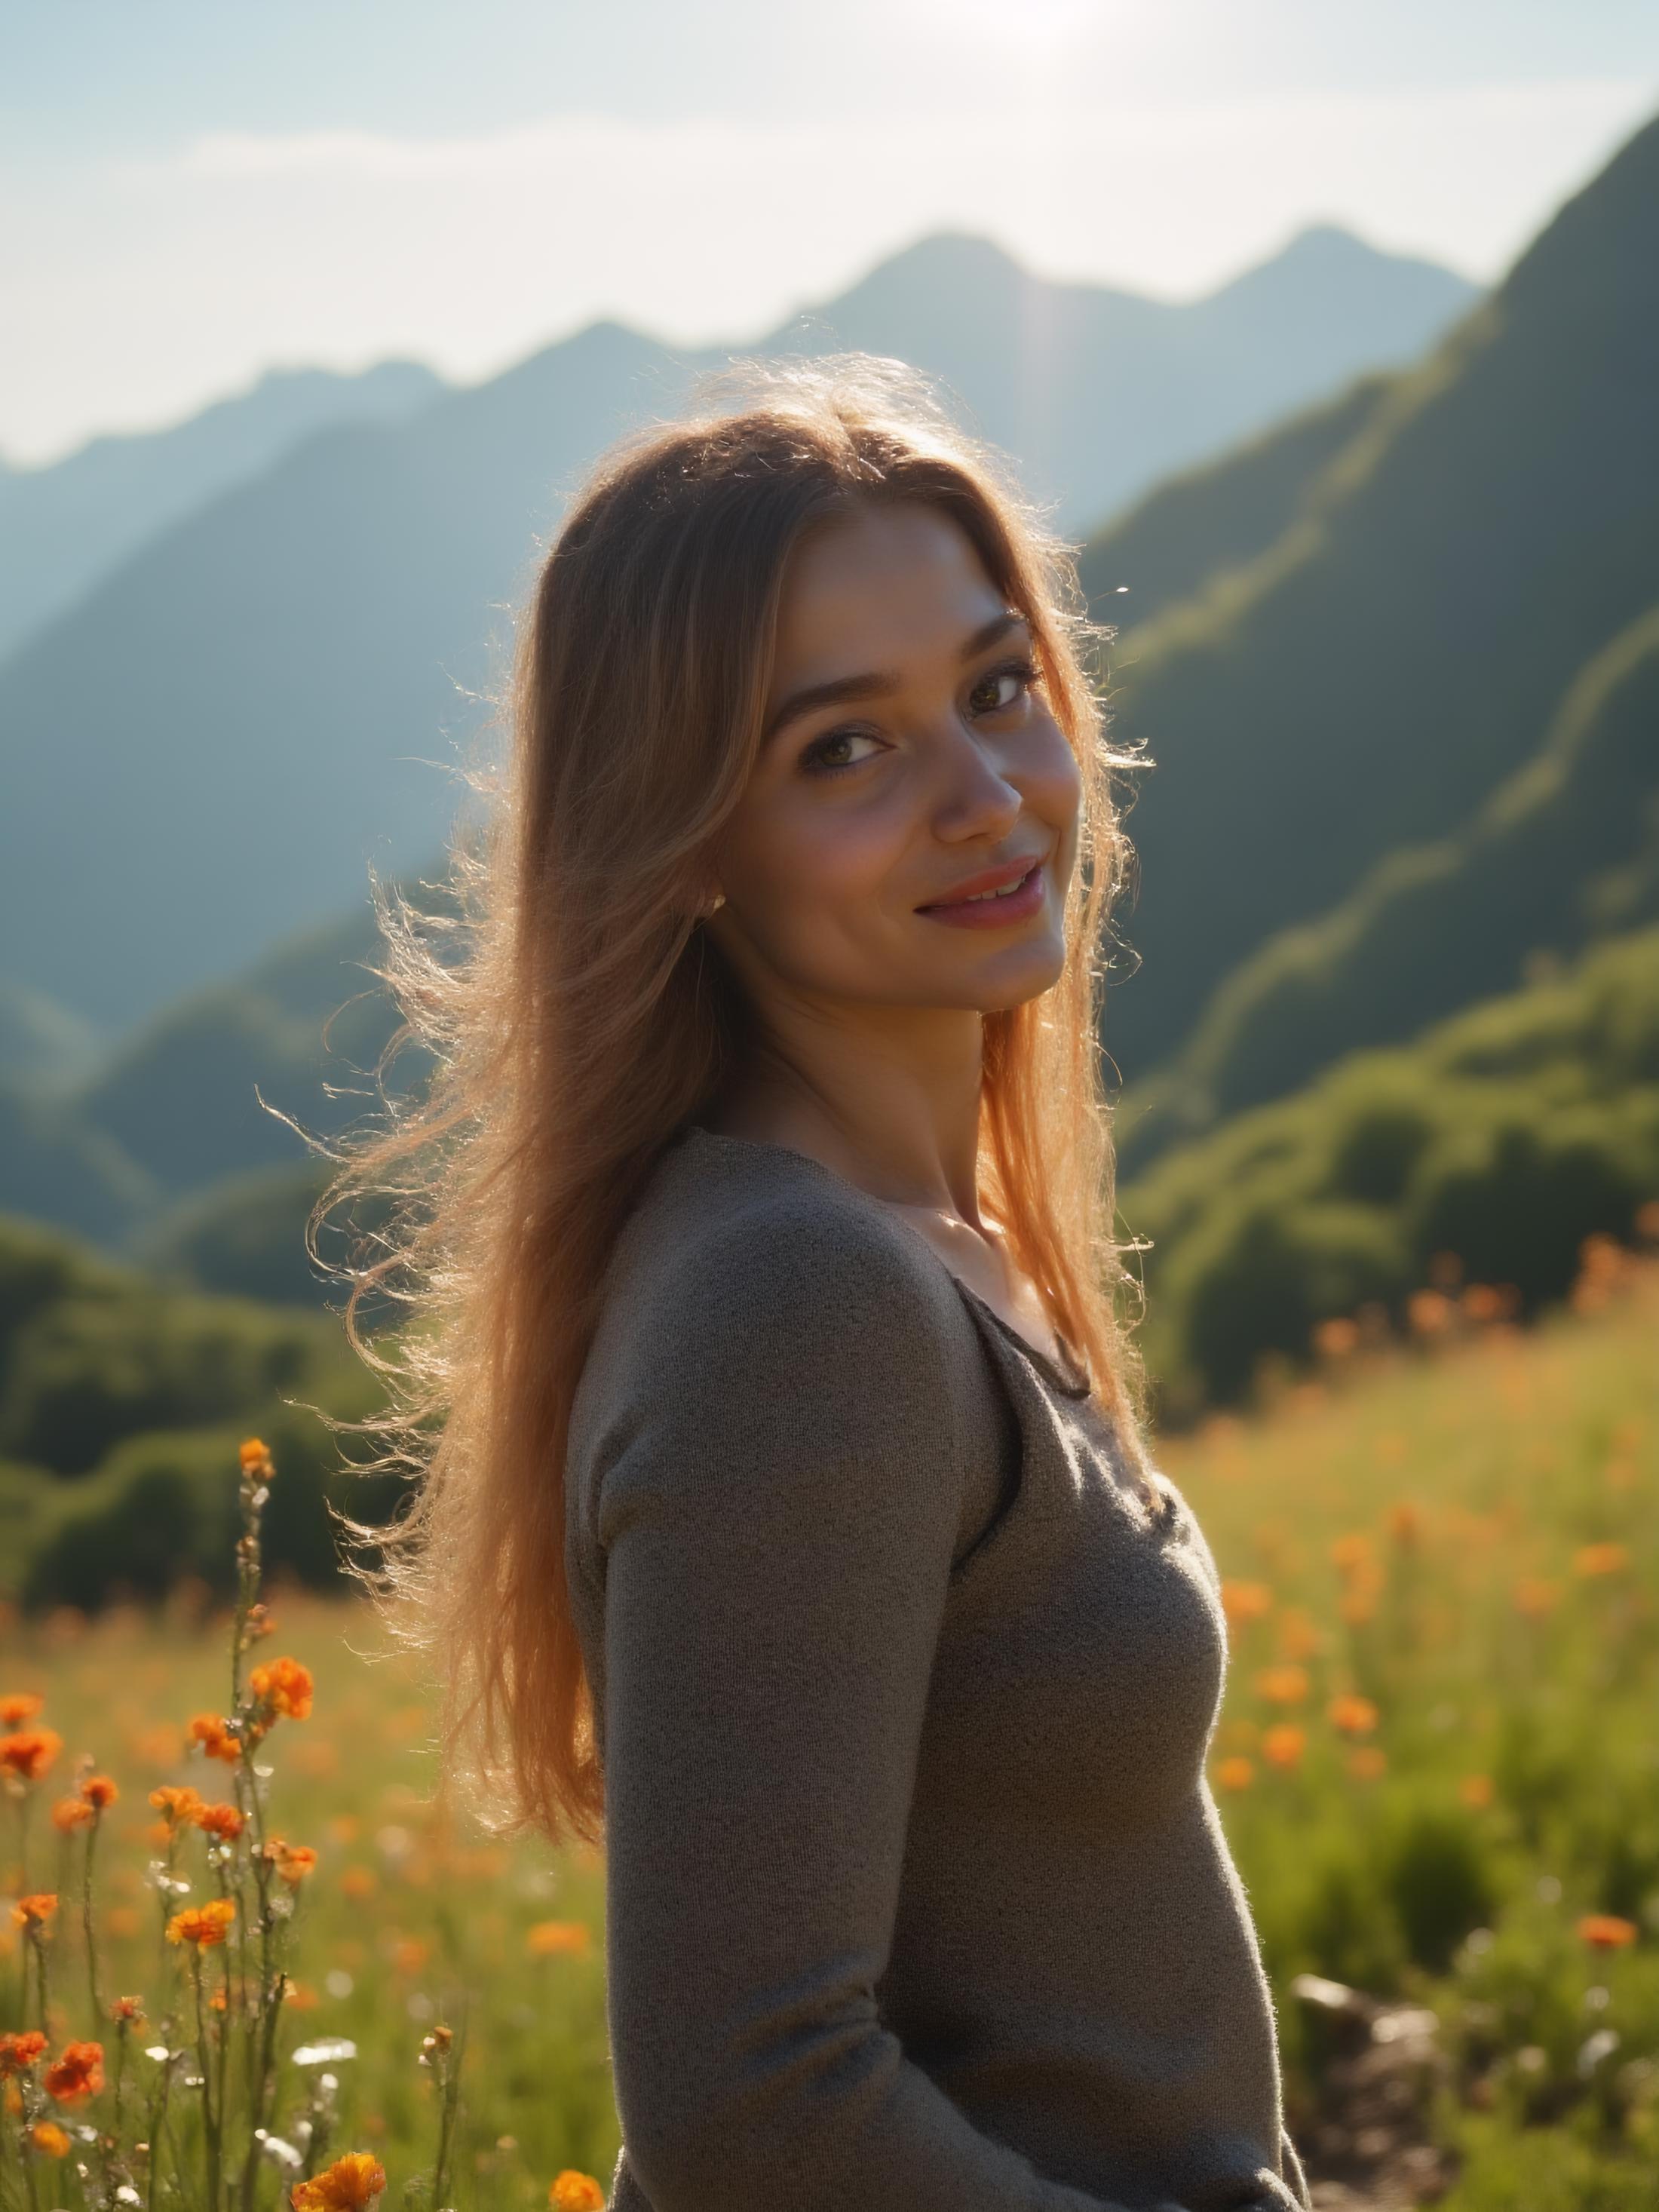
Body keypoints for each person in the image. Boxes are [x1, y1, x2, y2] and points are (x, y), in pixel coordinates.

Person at [318, 354, 1314, 2212]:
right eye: (841, 747)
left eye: (998, 688)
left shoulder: (926, 1248)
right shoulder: (795, 1305)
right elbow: (749, 2112)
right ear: (688, 838)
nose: (984, 793)